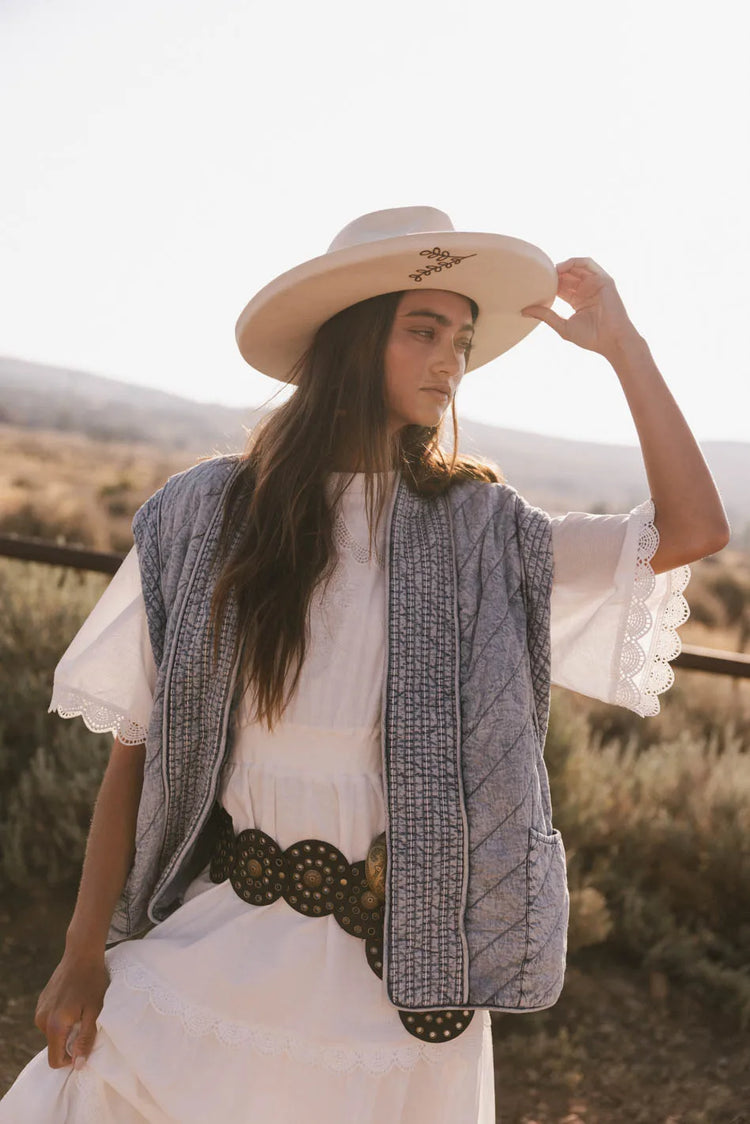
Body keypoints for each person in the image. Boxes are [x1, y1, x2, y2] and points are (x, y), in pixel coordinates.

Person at [0, 206, 729, 1123]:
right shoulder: (203, 516)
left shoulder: (486, 533)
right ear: (351, 341)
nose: (449, 362)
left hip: (403, 986)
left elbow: (695, 529)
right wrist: (82, 953)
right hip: (215, 950)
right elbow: (133, 752)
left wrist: (622, 345)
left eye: (461, 340)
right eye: (423, 331)